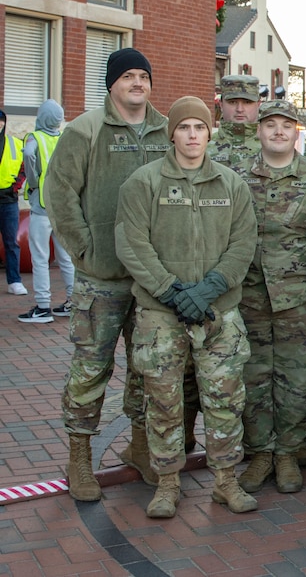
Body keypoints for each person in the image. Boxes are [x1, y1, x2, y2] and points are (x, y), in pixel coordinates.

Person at [115, 96, 259, 518]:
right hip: (161, 315)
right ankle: (166, 483)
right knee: (162, 401)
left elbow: (243, 242)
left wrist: (210, 287)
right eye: (184, 128)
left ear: (209, 132)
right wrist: (172, 291)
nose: (192, 135)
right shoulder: (144, 183)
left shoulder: (231, 184)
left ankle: (225, 482)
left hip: (219, 313)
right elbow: (132, 243)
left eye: (199, 127)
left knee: (225, 399)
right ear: (172, 133)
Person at [45, 48, 173, 501]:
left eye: (144, 75)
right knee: (91, 367)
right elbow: (58, 195)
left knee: (147, 368)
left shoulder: (166, 130)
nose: (138, 83)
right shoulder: (86, 130)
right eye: (128, 77)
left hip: (152, 278)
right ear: (112, 83)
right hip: (103, 278)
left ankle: (139, 446)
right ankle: (79, 457)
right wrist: (85, 250)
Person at [234, 101, 306, 495]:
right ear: (259, 131)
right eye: (269, 124)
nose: (277, 131)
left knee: (295, 378)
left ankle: (288, 452)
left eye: (285, 126)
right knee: (252, 377)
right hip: (249, 295)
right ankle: (259, 453)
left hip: (297, 296)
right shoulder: (236, 177)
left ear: (296, 132)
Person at [17, 100, 75, 323]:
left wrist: (32, 182)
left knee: (40, 258)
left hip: (41, 206)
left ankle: (42, 307)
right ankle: (72, 301)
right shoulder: (62, 139)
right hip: (61, 206)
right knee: (65, 257)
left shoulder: (35, 137)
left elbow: (30, 155)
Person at [210, 74, 262, 174]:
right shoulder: (203, 146)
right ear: (221, 105)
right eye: (233, 102)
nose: (239, 109)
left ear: (258, 105)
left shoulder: (271, 146)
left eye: (247, 102)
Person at [0, 108, 26, 296]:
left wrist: (14, 188)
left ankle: (14, 281)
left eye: (1, 122)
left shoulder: (15, 144)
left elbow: (23, 170)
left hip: (8, 201)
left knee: (11, 242)